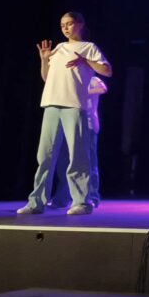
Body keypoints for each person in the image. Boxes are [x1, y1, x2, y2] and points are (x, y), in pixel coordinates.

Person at [18, 12, 111, 216]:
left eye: (69, 24)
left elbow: (107, 71)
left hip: (74, 106)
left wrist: (85, 61)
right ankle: (36, 202)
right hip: (51, 104)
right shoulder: (59, 48)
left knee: (78, 155)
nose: (65, 28)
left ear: (80, 24)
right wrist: (44, 60)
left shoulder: (89, 47)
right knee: (45, 156)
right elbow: (47, 78)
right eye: (62, 25)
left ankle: (82, 202)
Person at [48, 76, 108, 209]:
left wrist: (80, 91)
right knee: (64, 163)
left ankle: (92, 197)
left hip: (88, 125)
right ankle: (62, 198)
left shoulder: (92, 79)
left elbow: (103, 88)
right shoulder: (70, 79)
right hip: (69, 124)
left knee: (89, 162)